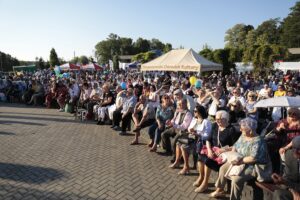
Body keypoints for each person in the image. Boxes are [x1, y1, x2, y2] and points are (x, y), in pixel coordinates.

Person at [210, 118, 270, 199]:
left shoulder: (258, 141)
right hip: (239, 160)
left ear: (251, 130)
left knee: (236, 180)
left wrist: (239, 161)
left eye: (242, 128)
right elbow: (236, 145)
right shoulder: (244, 135)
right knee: (223, 168)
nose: (240, 129)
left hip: (253, 166)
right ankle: (219, 190)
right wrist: (232, 153)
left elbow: (253, 158)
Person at [194, 110, 239, 193]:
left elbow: (236, 146)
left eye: (219, 119)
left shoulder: (231, 130)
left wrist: (223, 149)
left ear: (226, 119)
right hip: (213, 151)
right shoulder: (215, 125)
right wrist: (209, 149)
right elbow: (208, 140)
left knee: (208, 161)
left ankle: (205, 183)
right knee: (201, 157)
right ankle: (202, 178)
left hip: (223, 154)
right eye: (216, 118)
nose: (217, 121)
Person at [169, 105, 211, 176]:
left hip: (199, 140)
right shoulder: (194, 119)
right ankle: (177, 161)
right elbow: (189, 128)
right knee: (178, 143)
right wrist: (191, 130)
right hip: (191, 137)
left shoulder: (206, 122)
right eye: (194, 111)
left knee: (183, 147)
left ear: (200, 112)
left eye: (195, 111)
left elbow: (207, 135)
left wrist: (197, 133)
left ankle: (186, 166)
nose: (194, 112)